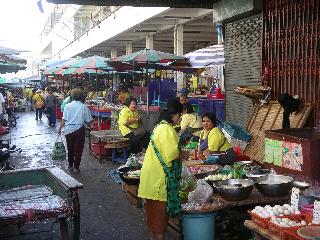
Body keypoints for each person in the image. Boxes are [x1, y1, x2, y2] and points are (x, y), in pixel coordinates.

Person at [138, 99, 183, 240]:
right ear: (173, 114)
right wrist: (185, 154)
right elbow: (172, 154)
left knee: (155, 226)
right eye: (179, 115)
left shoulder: (160, 127)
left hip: (152, 182)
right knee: (159, 228)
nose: (180, 118)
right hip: (158, 184)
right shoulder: (166, 129)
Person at [57, 89, 93, 173]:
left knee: (70, 149)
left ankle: (70, 166)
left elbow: (64, 120)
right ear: (81, 97)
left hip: (68, 131)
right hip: (79, 130)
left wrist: (59, 129)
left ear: (72, 96)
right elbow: (88, 120)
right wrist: (91, 127)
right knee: (78, 149)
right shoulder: (83, 106)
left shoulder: (67, 106)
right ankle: (76, 167)